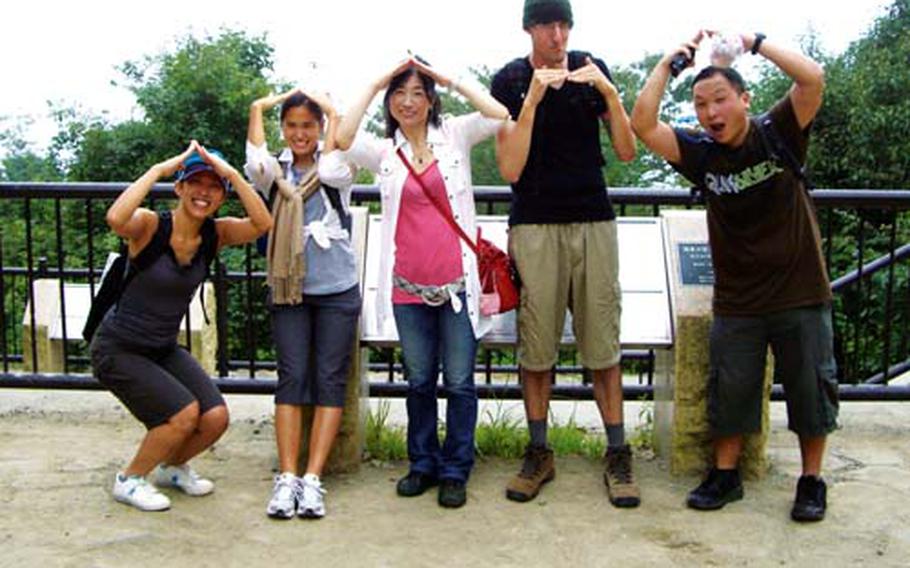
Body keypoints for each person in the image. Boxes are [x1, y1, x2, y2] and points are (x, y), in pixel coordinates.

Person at [630, 31, 836, 522]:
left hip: (799, 290)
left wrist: (755, 41)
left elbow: (812, 79)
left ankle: (811, 480)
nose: (710, 112)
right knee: (730, 391)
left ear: (744, 99)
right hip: (739, 299)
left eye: (720, 99)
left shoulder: (778, 132)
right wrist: (667, 63)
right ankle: (726, 475)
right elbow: (642, 124)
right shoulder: (702, 156)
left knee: (810, 390)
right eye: (701, 104)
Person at [320, 57, 509, 508]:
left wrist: (449, 78)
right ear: (389, 101)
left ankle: (455, 468)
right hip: (407, 287)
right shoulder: (385, 152)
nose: (408, 102)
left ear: (431, 100)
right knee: (420, 380)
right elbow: (342, 140)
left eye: (418, 93)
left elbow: (499, 114)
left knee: (460, 382)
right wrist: (374, 80)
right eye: (399, 94)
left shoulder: (456, 136)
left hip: (458, 287)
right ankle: (422, 463)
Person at [491, 0, 640, 507]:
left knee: (604, 344)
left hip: (594, 220)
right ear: (529, 29)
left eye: (565, 25)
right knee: (536, 348)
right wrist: (531, 100)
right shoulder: (509, 80)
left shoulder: (590, 67)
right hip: (534, 223)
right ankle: (539, 451)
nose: (558, 36)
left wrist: (610, 94)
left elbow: (625, 151)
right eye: (547, 26)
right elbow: (509, 168)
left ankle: (617, 454)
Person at [91, 141, 272, 512]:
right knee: (183, 415)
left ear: (221, 195)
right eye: (196, 183)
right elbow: (115, 218)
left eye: (213, 186)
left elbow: (262, 224)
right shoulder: (151, 225)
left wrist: (233, 175)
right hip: (118, 347)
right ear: (180, 188)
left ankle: (171, 468)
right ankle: (129, 479)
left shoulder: (214, 235)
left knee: (215, 417)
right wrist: (159, 169)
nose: (204, 193)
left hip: (161, 347)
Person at [245, 88, 361, 520]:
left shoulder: (339, 166)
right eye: (291, 125)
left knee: (330, 380)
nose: (300, 134)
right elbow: (255, 161)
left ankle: (313, 479)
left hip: (337, 289)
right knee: (291, 378)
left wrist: (333, 110)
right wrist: (259, 108)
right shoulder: (274, 172)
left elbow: (330, 165)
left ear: (321, 129)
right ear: (282, 128)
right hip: (289, 290)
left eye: (309, 126)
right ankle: (287, 477)